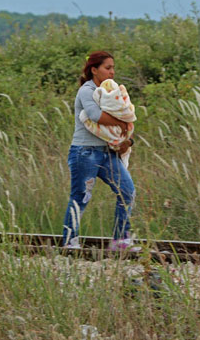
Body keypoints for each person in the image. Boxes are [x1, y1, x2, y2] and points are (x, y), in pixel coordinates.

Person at [61, 51, 138, 251]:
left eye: (113, 67)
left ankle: (121, 240)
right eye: (107, 67)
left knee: (127, 191)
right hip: (85, 152)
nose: (112, 72)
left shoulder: (110, 93)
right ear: (94, 70)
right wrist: (123, 122)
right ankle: (70, 242)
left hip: (107, 152)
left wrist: (126, 136)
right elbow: (95, 116)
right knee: (81, 196)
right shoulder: (87, 90)